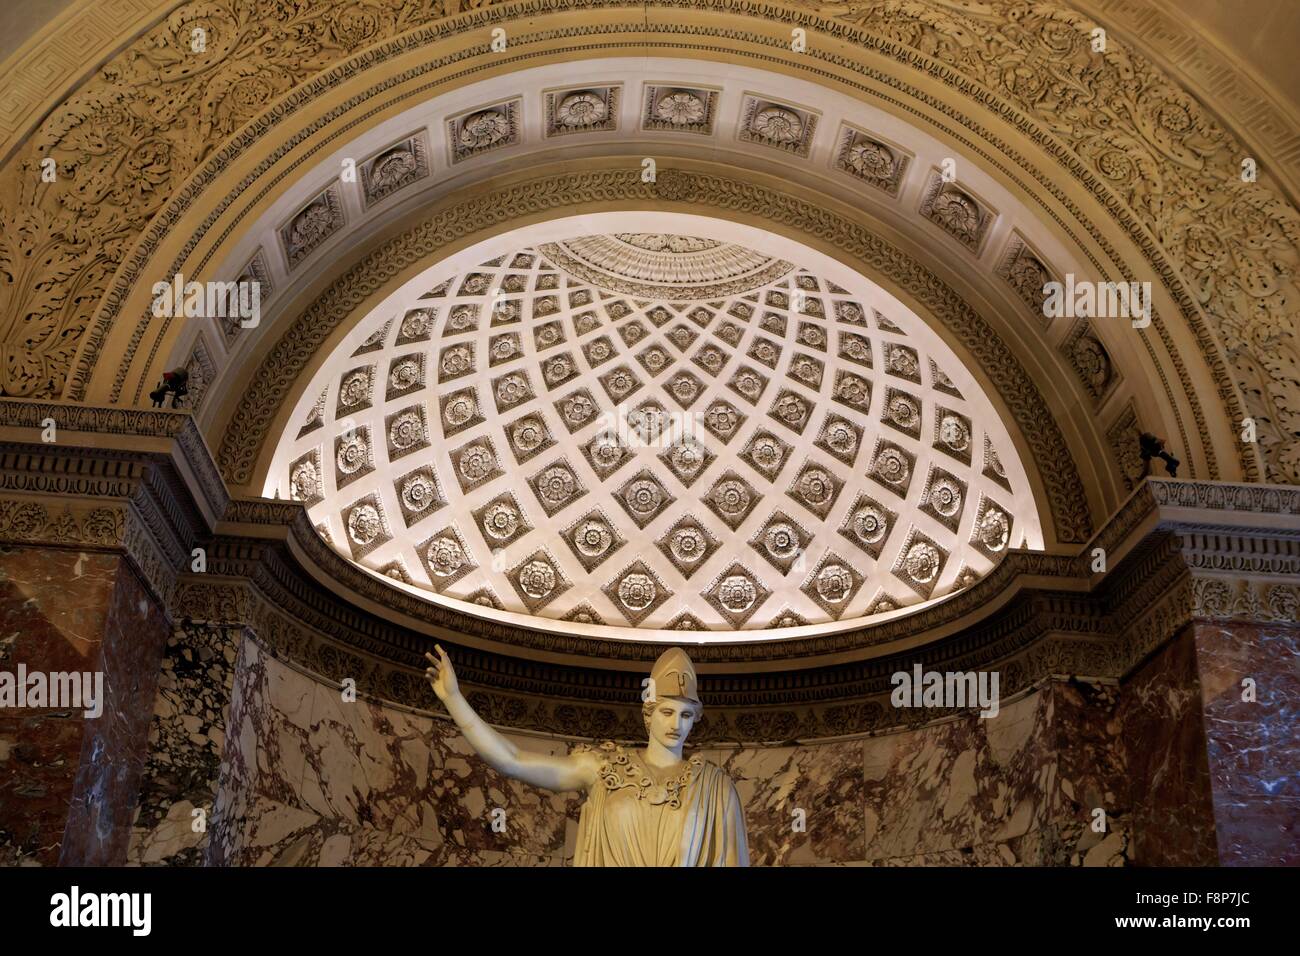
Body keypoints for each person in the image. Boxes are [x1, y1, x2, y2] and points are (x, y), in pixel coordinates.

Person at [425, 643, 749, 866]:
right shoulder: (605, 768)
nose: (676, 724)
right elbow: (512, 761)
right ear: (648, 713)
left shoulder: (714, 788)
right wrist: (454, 698)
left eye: (686, 715)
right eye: (667, 711)